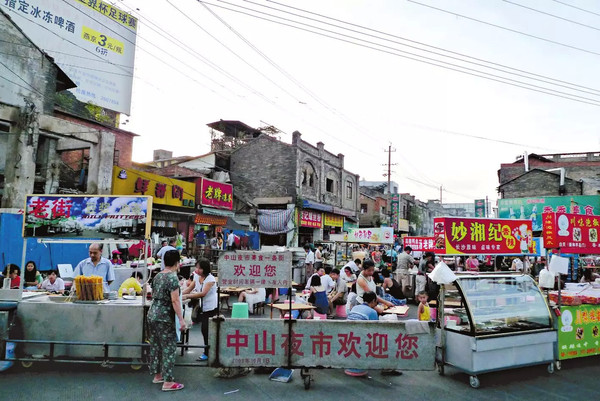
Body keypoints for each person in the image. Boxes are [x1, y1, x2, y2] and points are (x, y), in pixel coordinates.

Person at [147, 250, 186, 391]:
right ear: (177, 262)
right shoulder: (172, 278)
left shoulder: (158, 276)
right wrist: (181, 320)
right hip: (164, 316)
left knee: (156, 346)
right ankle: (168, 382)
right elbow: (175, 300)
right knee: (169, 348)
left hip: (152, 313)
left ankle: (158, 376)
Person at [182, 258, 218, 362]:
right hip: (203, 307)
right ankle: (210, 351)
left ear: (205, 269)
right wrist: (179, 293)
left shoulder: (210, 279)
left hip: (211, 307)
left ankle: (208, 353)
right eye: (197, 267)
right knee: (205, 330)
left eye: (199, 268)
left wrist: (187, 296)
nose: (197, 270)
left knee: (206, 329)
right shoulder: (197, 277)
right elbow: (189, 289)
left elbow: (203, 293)